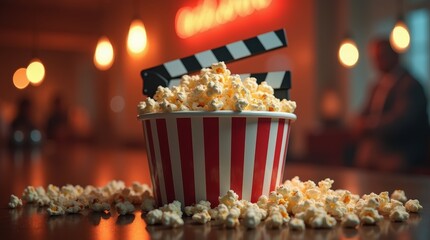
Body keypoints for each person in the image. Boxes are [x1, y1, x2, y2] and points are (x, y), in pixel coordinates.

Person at [353, 38, 430, 172]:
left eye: (382, 56)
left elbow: (402, 120)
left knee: (386, 164)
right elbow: (365, 111)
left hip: (402, 148)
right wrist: (358, 121)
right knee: (362, 156)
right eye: (375, 58)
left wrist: (369, 125)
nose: (377, 62)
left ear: (395, 55)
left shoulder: (411, 84)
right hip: (378, 146)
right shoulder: (376, 85)